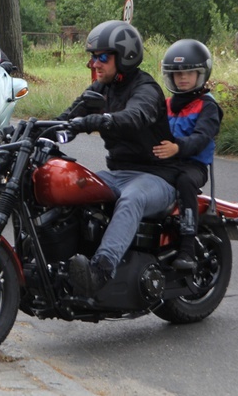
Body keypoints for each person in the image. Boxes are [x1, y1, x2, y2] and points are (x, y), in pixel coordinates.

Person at [57, 20, 178, 298]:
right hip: (119, 173)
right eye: (92, 57)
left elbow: (135, 116)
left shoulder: (146, 89)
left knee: (132, 198)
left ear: (125, 56)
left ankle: (101, 271)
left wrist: (96, 120)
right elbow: (66, 117)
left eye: (102, 57)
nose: (94, 64)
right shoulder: (102, 88)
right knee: (76, 186)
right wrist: (31, 129)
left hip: (157, 177)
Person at [153, 39, 222, 270]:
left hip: (193, 166)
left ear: (200, 74)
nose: (183, 78)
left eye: (189, 72)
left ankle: (188, 250)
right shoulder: (166, 104)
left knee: (184, 181)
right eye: (178, 73)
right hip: (167, 162)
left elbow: (202, 137)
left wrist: (178, 148)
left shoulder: (208, 106)